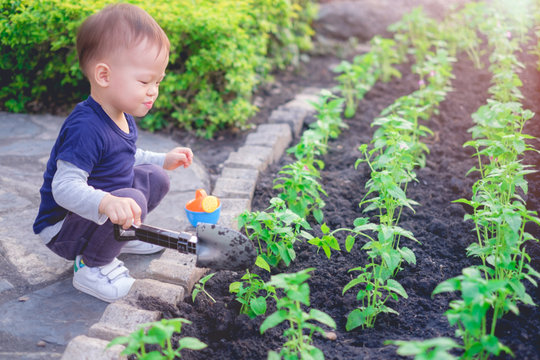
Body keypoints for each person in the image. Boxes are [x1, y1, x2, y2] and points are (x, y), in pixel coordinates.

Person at [32, 3, 193, 302]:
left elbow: (126, 157)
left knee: (156, 179)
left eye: (158, 82)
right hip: (64, 226)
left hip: (99, 213)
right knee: (132, 200)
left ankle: (119, 238)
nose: (153, 90)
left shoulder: (120, 113)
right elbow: (63, 187)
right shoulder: (85, 128)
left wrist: (163, 160)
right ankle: (92, 265)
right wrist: (106, 202)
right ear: (104, 76)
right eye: (145, 81)